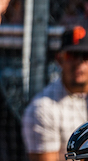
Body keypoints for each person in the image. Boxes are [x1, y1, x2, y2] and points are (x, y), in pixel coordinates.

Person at [22, 25, 88, 161]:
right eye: (71, 55)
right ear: (59, 59)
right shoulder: (43, 108)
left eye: (86, 56)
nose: (79, 63)